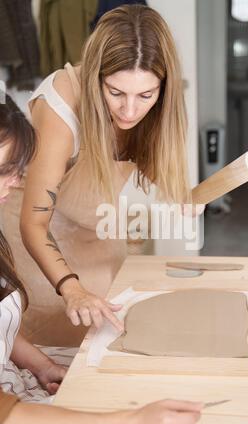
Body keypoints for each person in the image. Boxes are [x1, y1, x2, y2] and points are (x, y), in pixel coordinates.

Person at [0, 94, 203, 424]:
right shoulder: (60, 107)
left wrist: (43, 366)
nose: (16, 183)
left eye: (18, 171)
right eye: (5, 170)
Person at [1, 4, 204, 347]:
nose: (130, 110)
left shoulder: (160, 106)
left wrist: (177, 195)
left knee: (104, 348)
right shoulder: (61, 104)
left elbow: (146, 161)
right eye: (115, 93)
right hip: (40, 244)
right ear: (96, 77)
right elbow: (34, 224)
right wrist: (72, 289)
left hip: (95, 236)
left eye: (145, 95)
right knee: (54, 357)